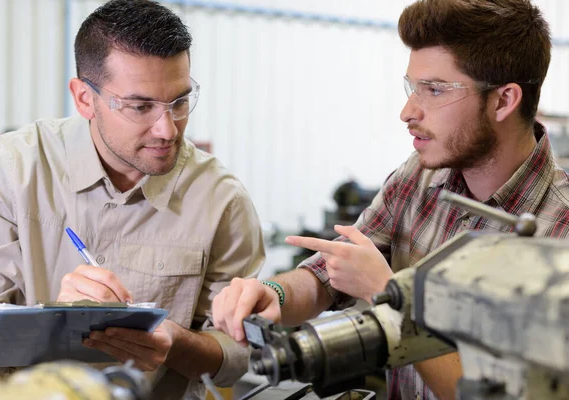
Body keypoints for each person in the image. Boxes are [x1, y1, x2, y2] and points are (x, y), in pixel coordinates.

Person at [211, 0, 569, 399]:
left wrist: (391, 294)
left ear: (503, 100)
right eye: (412, 88)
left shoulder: (559, 232)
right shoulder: (419, 176)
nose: (407, 111)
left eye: (434, 90)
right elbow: (328, 276)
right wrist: (274, 294)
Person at [0, 0, 265, 398]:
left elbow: (237, 356)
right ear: (84, 98)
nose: (168, 130)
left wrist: (176, 343)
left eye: (179, 101)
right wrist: (52, 323)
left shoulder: (221, 200)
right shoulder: (12, 169)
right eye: (140, 106)